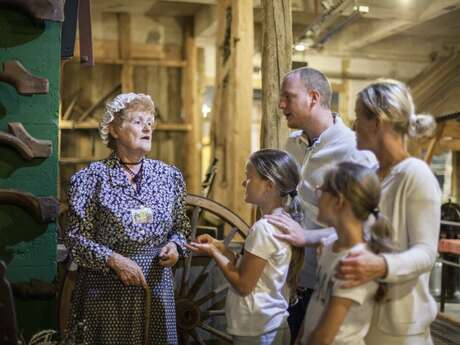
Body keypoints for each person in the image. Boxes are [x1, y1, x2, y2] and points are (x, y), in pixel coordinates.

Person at [64, 93, 190, 345]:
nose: (147, 128)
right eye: (137, 121)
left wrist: (176, 246)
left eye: (150, 122)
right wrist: (113, 260)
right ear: (114, 129)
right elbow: (75, 239)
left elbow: (182, 228)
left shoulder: (169, 177)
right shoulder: (90, 179)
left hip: (156, 287)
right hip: (106, 290)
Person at [266, 67, 377, 341]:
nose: (281, 104)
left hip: (330, 286)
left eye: (288, 97)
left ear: (313, 98)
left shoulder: (355, 150)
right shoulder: (292, 144)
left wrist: (306, 236)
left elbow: (370, 228)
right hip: (291, 283)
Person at [335, 79, 441, 344]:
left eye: (358, 117)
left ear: (377, 123)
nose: (354, 125)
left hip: (400, 327)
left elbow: (426, 252)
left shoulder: (415, 175)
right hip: (367, 317)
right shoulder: (373, 176)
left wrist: (382, 265)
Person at [187, 149, 304, 345]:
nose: (244, 183)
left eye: (249, 178)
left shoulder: (264, 229)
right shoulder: (281, 222)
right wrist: (221, 248)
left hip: (256, 329)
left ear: (269, 185)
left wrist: (215, 253)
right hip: (269, 323)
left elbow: (243, 285)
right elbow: (253, 270)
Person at [296, 162, 397, 345]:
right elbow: (315, 307)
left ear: (339, 201)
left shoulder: (355, 262)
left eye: (322, 190)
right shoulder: (330, 248)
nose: (317, 196)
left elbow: (325, 337)